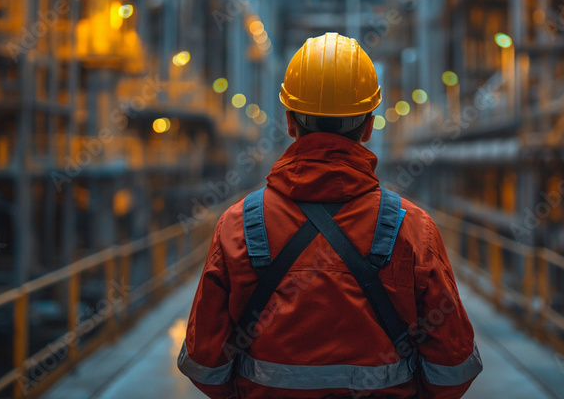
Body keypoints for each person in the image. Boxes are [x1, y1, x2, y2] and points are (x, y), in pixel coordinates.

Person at [178, 32, 482, 398]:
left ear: (290, 123)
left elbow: (206, 366)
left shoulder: (237, 225)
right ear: (369, 127)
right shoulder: (413, 228)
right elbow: (453, 369)